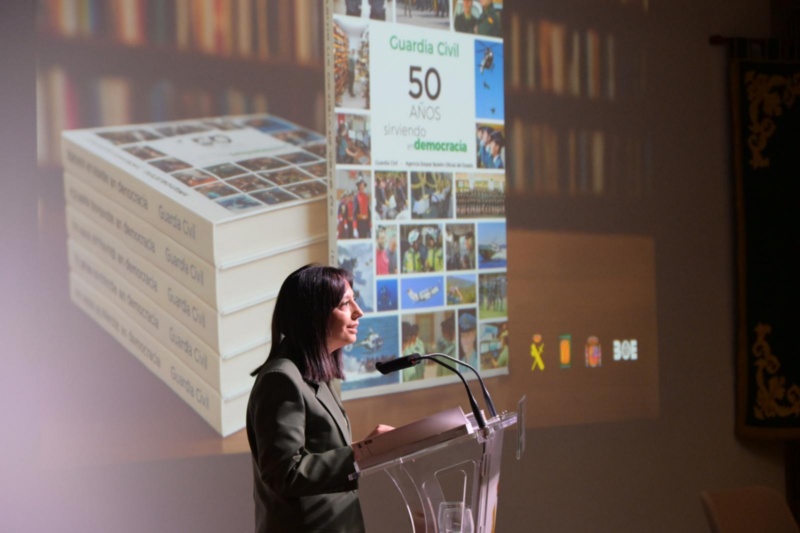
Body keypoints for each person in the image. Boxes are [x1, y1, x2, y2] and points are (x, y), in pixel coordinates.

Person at [246, 264, 392, 533]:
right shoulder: (281, 379)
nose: (359, 312)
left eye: (354, 301)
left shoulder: (311, 373)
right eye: (345, 304)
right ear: (313, 315)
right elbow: (284, 473)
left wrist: (371, 450)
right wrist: (364, 452)